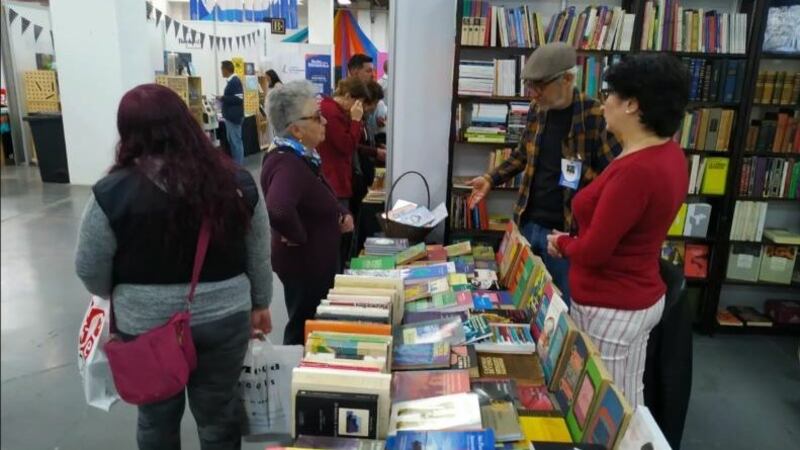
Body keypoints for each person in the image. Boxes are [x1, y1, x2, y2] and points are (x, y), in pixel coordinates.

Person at [75, 84, 273, 449]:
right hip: (225, 317)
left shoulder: (111, 193)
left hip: (146, 326)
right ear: (186, 121)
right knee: (219, 414)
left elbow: (89, 267)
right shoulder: (236, 182)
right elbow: (258, 252)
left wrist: (118, 293)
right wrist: (261, 302)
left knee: (156, 419)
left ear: (127, 132)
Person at [547, 53, 690, 405]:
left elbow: (595, 251)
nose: (603, 102)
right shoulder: (667, 152)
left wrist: (564, 243)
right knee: (627, 394)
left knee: (605, 405)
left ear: (631, 105)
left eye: (609, 94)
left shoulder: (636, 170)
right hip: (636, 295)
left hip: (612, 304)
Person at [466, 42, 621, 305]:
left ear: (568, 79)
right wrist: (491, 179)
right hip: (528, 224)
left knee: (562, 308)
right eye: (531, 86)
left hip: (566, 234)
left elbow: (615, 176)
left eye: (540, 86)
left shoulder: (595, 115)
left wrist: (582, 177)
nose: (534, 94)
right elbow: (522, 154)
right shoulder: (539, 110)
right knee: (520, 301)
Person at [261, 80, 354, 345]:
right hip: (306, 265)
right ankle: (297, 380)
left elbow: (313, 194)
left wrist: (337, 212)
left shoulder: (300, 157)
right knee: (304, 330)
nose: (324, 121)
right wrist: (300, 236)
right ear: (296, 129)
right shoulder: (287, 163)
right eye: (317, 117)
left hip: (311, 263)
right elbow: (278, 209)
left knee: (311, 327)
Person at [317, 77, 371, 269]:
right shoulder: (331, 112)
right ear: (348, 96)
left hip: (338, 179)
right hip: (335, 181)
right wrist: (356, 121)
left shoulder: (334, 110)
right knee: (340, 237)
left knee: (342, 238)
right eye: (359, 103)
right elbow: (347, 146)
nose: (360, 108)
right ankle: (336, 277)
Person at [219, 60, 245, 165]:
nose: (221, 72)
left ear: (226, 70)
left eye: (221, 69)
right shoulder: (232, 81)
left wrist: (223, 98)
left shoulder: (235, 81)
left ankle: (239, 166)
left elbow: (239, 99)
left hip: (233, 117)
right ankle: (237, 164)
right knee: (233, 142)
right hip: (230, 117)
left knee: (236, 143)